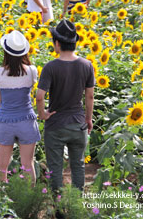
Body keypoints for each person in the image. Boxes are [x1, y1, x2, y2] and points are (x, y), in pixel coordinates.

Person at [36, 19, 95, 192]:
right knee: (78, 166)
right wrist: (88, 119)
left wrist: (43, 114)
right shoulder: (87, 65)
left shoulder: (50, 67)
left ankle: (59, 204)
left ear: (57, 43)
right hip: (78, 124)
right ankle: (76, 204)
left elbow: (40, 96)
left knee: (55, 168)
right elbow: (89, 95)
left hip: (56, 124)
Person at [0, 30, 40, 186]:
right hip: (27, 120)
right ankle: (28, 199)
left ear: (5, 51)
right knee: (27, 165)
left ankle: (0, 200)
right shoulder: (32, 71)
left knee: (2, 166)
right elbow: (31, 91)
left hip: (5, 121)